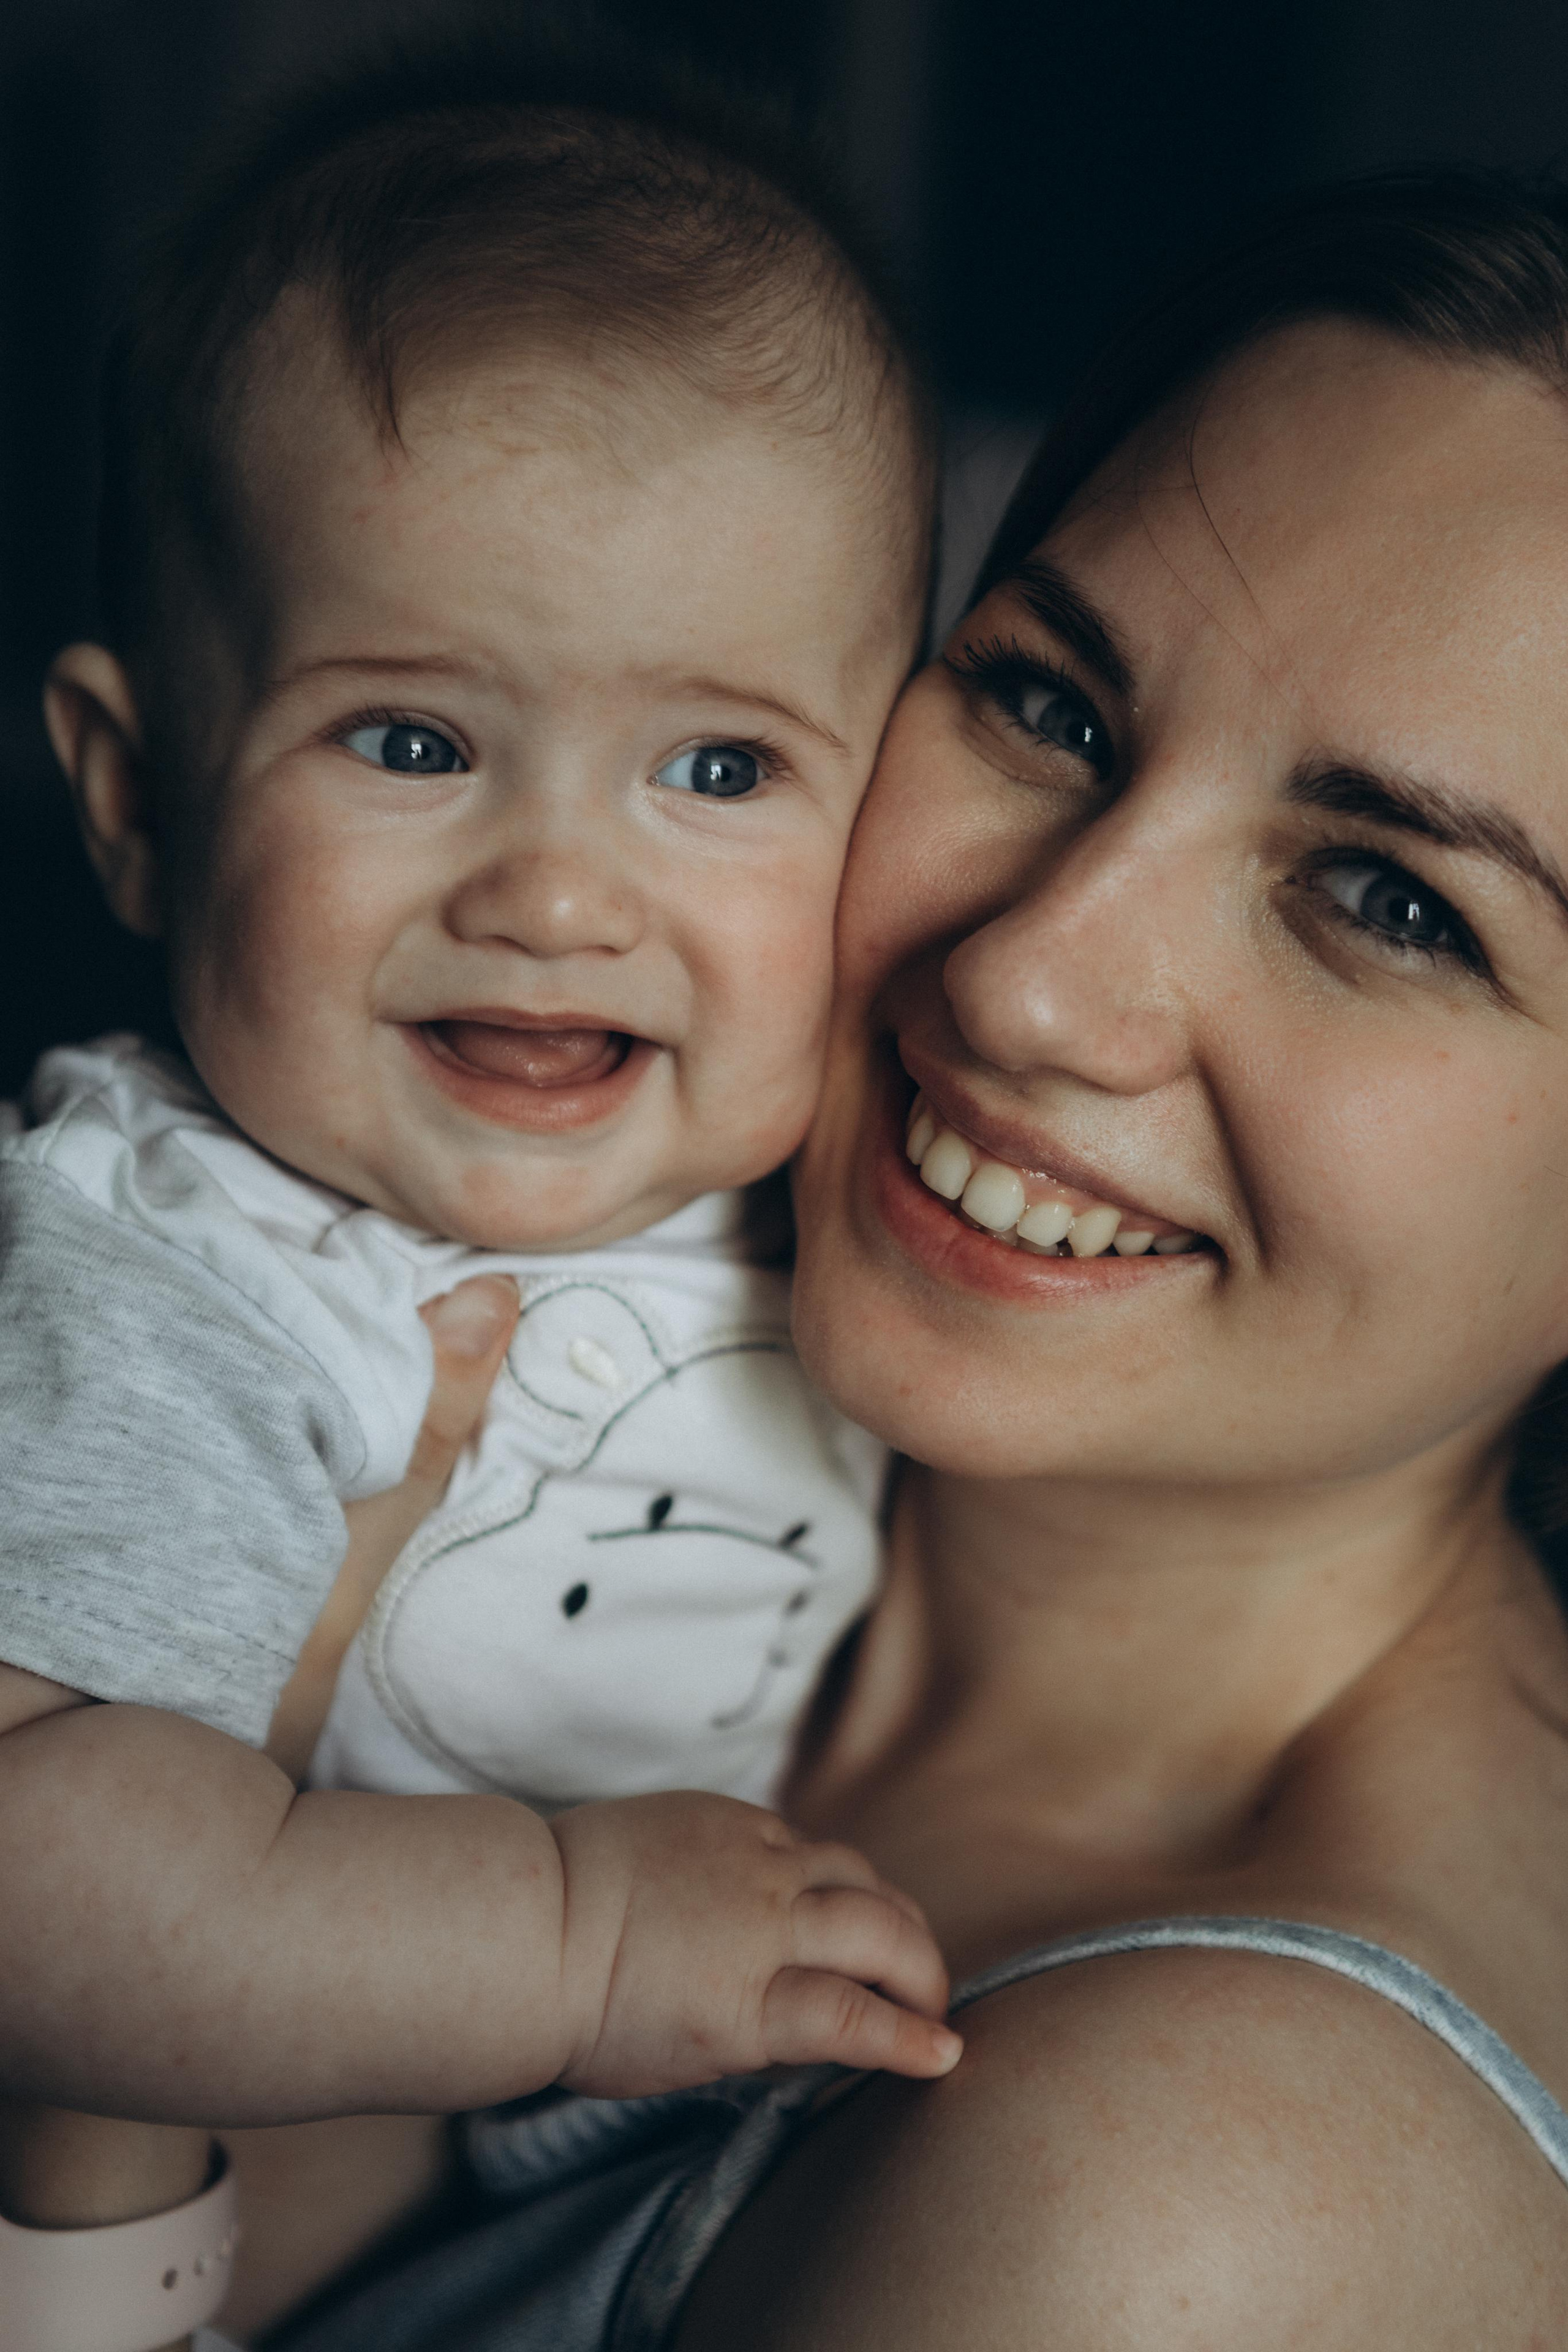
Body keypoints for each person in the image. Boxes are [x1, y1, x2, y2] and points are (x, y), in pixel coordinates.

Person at [214, 167, 1568, 2345]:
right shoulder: (512, 1396)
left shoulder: (1171, 2210)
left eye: (1395, 903)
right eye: (1052, 706)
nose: (1036, 979)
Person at [0, 26, 963, 2348]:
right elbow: (33, 1890)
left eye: (717, 763)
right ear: (137, 799)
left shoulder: (819, 1157)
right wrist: (578, 1941)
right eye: (413, 740)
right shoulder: (195, 1270)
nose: (557, 890)